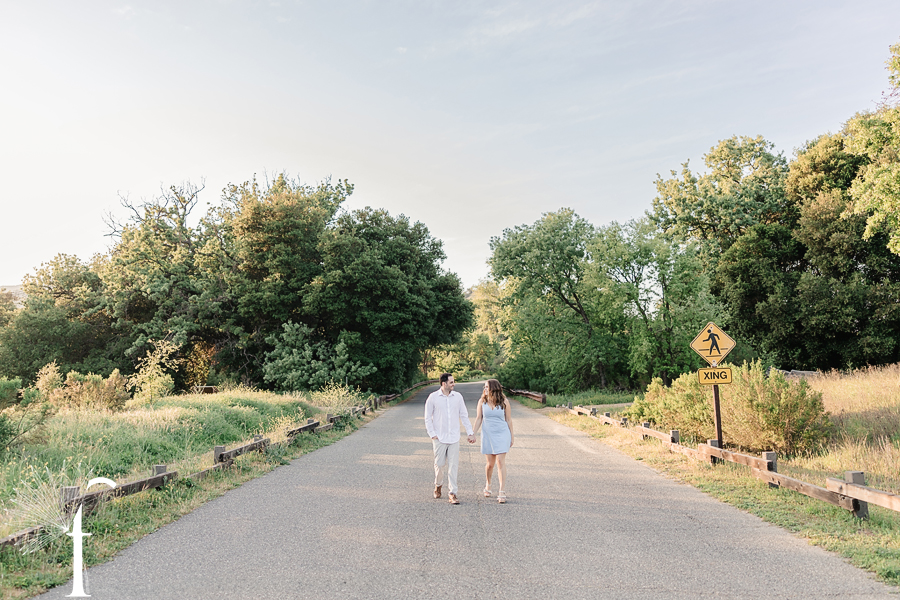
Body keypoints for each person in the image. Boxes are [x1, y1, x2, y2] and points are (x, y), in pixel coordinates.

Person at [424, 373, 475, 504]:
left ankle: (453, 493)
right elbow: (427, 417)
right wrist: (432, 434)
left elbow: (464, 415)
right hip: (439, 438)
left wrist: (470, 432)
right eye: (451, 382)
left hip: (454, 438)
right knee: (439, 465)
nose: (453, 384)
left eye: (453, 382)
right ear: (444, 384)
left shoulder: (457, 397)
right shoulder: (433, 397)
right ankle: (438, 484)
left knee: (453, 466)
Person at [472, 379, 514, 504]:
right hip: (488, 435)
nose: (484, 389)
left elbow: (509, 420)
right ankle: (488, 484)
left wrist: (512, 436)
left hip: (502, 434)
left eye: (487, 387)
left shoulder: (504, 401)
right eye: (484, 387)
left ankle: (502, 491)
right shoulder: (482, 401)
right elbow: (479, 419)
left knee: (500, 462)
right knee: (490, 464)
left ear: (493, 388)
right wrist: (472, 433)